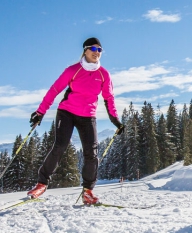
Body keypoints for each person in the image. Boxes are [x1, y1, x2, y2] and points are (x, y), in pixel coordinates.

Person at [26, 37, 124, 205]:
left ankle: (88, 191)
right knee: (60, 146)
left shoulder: (104, 74)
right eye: (93, 49)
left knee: (91, 154)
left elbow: (109, 98)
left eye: (100, 50)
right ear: (85, 50)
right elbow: (54, 90)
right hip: (67, 112)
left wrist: (115, 120)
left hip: (88, 116)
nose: (97, 53)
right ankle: (41, 184)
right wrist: (40, 112)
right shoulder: (73, 70)